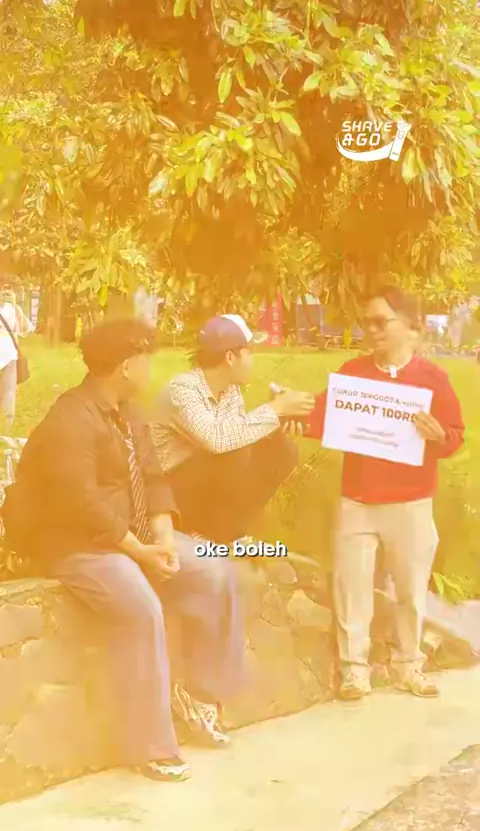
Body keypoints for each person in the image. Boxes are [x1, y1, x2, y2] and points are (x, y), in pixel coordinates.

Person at [1, 319, 246, 782]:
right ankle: (150, 747)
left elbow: (153, 478)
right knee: (141, 608)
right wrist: (142, 553)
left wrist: (165, 538)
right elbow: (84, 506)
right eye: (146, 358)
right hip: (77, 545)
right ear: (127, 365)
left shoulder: (129, 412)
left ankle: (200, 699)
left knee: (215, 570)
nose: (151, 366)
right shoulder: (70, 418)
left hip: (131, 536)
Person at [307, 285, 464, 701]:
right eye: (366, 323)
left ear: (408, 324)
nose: (371, 330)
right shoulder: (353, 374)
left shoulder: (432, 379)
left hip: (411, 501)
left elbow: (455, 436)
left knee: (411, 591)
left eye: (380, 321)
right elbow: (322, 418)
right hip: (358, 501)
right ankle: (354, 672)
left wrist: (439, 436)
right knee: (351, 587)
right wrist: (289, 412)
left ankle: (409, 666)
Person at [152, 314, 315, 544]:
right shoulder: (182, 389)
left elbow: (239, 439)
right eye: (250, 353)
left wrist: (279, 421)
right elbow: (216, 439)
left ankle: (229, 531)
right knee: (235, 449)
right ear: (230, 357)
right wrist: (274, 409)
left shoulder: (230, 390)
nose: (252, 361)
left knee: (281, 450)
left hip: (200, 482)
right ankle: (193, 529)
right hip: (166, 492)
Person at [0, 284, 33, 431]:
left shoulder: (13, 309)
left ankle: (5, 432)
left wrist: (15, 307)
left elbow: (26, 329)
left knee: (8, 397)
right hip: (6, 356)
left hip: (9, 357)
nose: (5, 293)